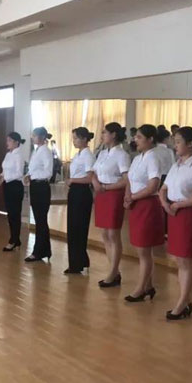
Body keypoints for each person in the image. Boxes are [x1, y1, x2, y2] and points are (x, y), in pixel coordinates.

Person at [159, 126, 192, 320]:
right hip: (174, 212)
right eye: (175, 141)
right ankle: (185, 300)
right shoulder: (176, 164)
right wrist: (165, 204)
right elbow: (163, 189)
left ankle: (182, 302)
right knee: (179, 260)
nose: (175, 145)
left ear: (190, 144)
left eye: (178, 142)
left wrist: (178, 205)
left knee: (186, 260)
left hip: (187, 214)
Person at [123, 125, 165, 303]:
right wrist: (127, 196)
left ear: (150, 139)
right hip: (136, 203)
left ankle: (140, 289)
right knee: (140, 247)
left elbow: (153, 186)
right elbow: (129, 180)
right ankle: (148, 286)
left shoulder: (153, 158)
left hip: (147, 204)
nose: (135, 140)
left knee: (144, 249)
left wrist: (133, 197)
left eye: (139, 137)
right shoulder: (137, 158)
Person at [90, 122, 131, 288]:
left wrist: (106, 187)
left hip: (113, 194)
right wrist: (95, 182)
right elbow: (93, 172)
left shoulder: (121, 155)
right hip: (101, 194)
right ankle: (114, 271)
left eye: (105, 132)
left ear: (113, 135)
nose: (102, 135)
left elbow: (126, 179)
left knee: (113, 233)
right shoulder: (102, 153)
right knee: (104, 234)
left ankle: (113, 272)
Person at [64, 127, 96, 274]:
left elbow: (90, 178)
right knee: (73, 227)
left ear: (84, 139)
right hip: (75, 191)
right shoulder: (78, 155)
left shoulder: (88, 155)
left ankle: (77, 263)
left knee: (78, 227)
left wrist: (73, 180)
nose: (74, 141)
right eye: (73, 138)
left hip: (82, 192)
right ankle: (80, 259)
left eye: (76, 138)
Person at [24, 127, 54, 263]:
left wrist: (33, 176)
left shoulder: (46, 151)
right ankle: (44, 250)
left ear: (42, 137)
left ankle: (38, 251)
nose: (32, 138)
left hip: (42, 187)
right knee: (39, 219)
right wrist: (28, 175)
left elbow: (48, 172)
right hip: (35, 186)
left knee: (41, 219)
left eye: (34, 135)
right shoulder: (36, 151)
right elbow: (33, 169)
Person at [0, 132, 25, 252]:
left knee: (15, 214)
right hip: (7, 185)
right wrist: (1, 176)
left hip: (15, 186)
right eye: (7, 140)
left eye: (9, 140)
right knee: (10, 214)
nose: (7, 143)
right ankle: (15, 239)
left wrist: (6, 177)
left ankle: (13, 240)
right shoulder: (8, 154)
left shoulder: (19, 155)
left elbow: (19, 173)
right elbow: (5, 169)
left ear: (16, 142)